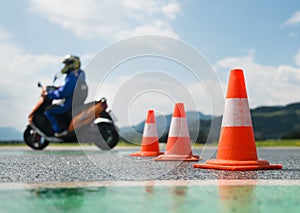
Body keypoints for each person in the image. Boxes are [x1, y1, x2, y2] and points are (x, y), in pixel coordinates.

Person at [43, 55, 88, 137]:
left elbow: (65, 92)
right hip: (76, 101)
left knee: (48, 111)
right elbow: (69, 87)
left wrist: (50, 95)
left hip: (70, 102)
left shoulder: (72, 75)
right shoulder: (80, 73)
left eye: (66, 64)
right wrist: (59, 88)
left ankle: (59, 132)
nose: (65, 67)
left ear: (72, 64)